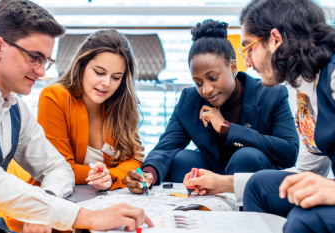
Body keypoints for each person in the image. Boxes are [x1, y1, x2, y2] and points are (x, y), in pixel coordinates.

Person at [0, 1, 152, 232]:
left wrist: (46, 204)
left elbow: (58, 168)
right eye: (35, 57)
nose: (41, 71)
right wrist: (86, 217)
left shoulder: (15, 108)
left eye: (46, 61)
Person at [236, 0, 335, 232]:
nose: (247, 63)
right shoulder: (307, 90)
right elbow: (307, 173)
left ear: (275, 39)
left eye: (248, 49)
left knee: (306, 218)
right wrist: (222, 183)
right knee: (259, 185)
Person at [124, 19, 300, 200]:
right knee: (182, 159)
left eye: (213, 78)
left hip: (251, 181)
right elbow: (166, 147)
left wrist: (227, 129)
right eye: (198, 83)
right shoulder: (190, 99)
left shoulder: (271, 94)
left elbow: (289, 151)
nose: (206, 90)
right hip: (210, 180)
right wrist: (147, 173)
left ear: (233, 67)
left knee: (246, 156)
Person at [1, 29, 146, 232]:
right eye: (99, 72)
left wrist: (111, 177)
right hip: (54, 207)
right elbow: (61, 168)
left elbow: (133, 158)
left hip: (102, 204)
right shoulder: (54, 97)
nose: (106, 83)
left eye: (116, 77)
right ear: (82, 65)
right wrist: (105, 176)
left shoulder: (121, 104)